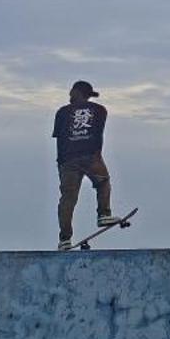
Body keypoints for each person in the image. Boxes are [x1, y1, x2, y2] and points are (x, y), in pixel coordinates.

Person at [52, 81, 118, 250]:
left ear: (76, 92)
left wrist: (61, 163)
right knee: (103, 182)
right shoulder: (100, 110)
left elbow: (59, 138)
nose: (69, 96)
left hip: (67, 160)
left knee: (68, 199)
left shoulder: (62, 112)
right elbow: (98, 132)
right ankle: (104, 214)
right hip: (90, 156)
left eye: (71, 92)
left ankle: (64, 239)